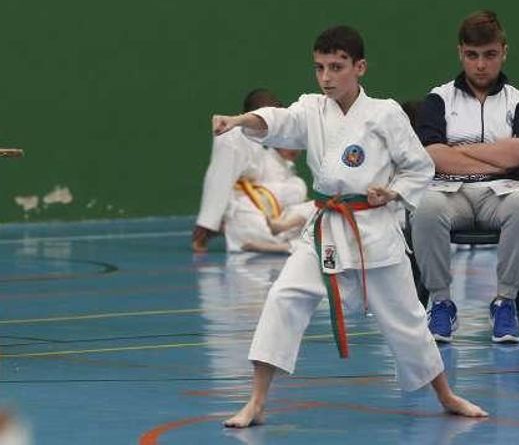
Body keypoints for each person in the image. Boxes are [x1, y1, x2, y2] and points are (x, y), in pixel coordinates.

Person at [212, 25, 487, 428]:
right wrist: (238, 120)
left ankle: (446, 395)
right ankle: (255, 401)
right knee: (283, 297)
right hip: (325, 228)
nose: (326, 77)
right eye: (320, 67)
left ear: (360, 68)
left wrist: (391, 194)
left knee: (408, 318)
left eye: (336, 67)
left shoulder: (385, 114)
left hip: (375, 231)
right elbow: (277, 120)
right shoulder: (310, 109)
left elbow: (420, 167)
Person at [411, 10, 519, 344]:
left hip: (502, 196)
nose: (481, 65)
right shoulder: (438, 99)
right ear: (460, 53)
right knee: (424, 208)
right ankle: (441, 303)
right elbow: (430, 155)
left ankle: (505, 302)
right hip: (449, 195)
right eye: (472, 56)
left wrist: (459, 151)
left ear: (504, 52)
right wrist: (496, 155)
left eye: (489, 55)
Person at [192, 89, 310, 253]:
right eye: (261, 118)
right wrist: (207, 223)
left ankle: (287, 235)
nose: (267, 122)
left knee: (297, 187)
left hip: (265, 205)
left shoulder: (272, 143)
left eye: (271, 117)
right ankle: (229, 228)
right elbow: (220, 177)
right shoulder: (233, 136)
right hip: (243, 207)